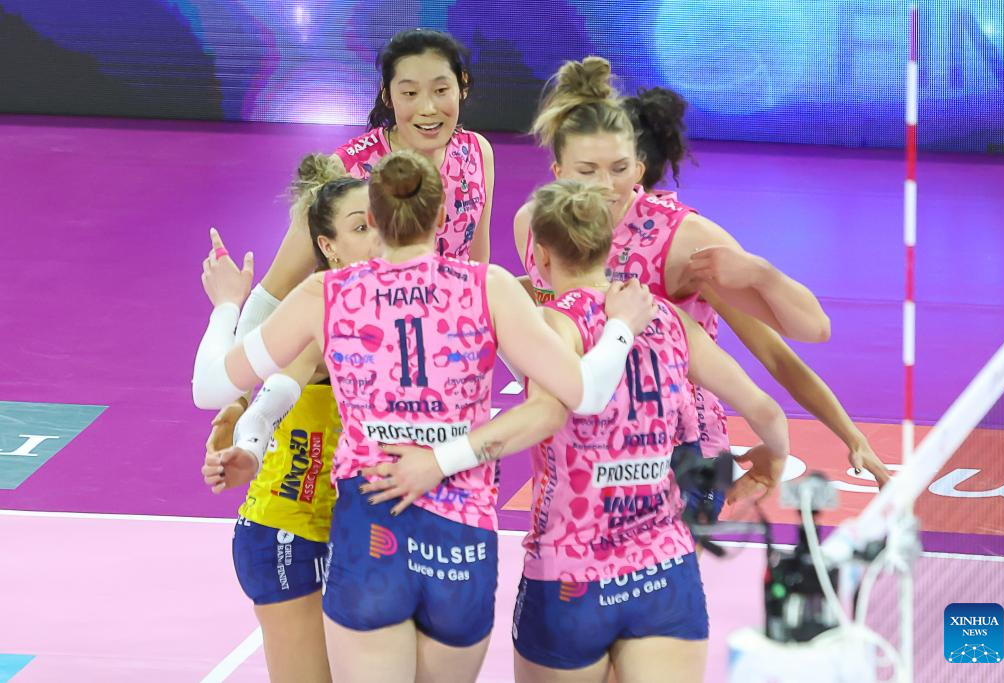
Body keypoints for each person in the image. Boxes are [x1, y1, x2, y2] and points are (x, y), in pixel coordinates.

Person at [193, 150, 657, 683]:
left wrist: (226, 304)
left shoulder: (327, 294)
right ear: (441, 216)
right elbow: (584, 393)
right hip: (459, 540)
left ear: (376, 218)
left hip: (370, 533)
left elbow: (210, 387)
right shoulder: (489, 286)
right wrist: (620, 327)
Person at [362, 180, 789, 683]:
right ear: (609, 245)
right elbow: (765, 410)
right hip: (663, 573)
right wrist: (772, 457)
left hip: (569, 572)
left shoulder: (553, 326)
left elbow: (540, 414)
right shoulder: (669, 318)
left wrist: (438, 462)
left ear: (541, 256)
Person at [514, 57, 890, 489]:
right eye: (586, 171)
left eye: (618, 168)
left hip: (678, 454)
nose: (604, 186)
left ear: (638, 168)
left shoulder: (681, 238)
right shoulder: (533, 225)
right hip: (577, 454)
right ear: (558, 172)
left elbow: (799, 337)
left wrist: (761, 273)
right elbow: (552, 307)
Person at [202, 154, 379, 682]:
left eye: (383, 221)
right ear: (328, 246)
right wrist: (248, 446)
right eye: (361, 227)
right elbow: (273, 396)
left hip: (357, 534)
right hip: (289, 533)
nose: (378, 235)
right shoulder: (318, 316)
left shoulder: (401, 309)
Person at [246, 29, 496, 348]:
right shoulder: (345, 170)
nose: (428, 108)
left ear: (463, 86)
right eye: (410, 93)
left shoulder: (477, 153)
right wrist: (234, 375)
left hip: (444, 350)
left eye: (441, 90)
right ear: (387, 95)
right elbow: (275, 289)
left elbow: (475, 267)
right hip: (361, 352)